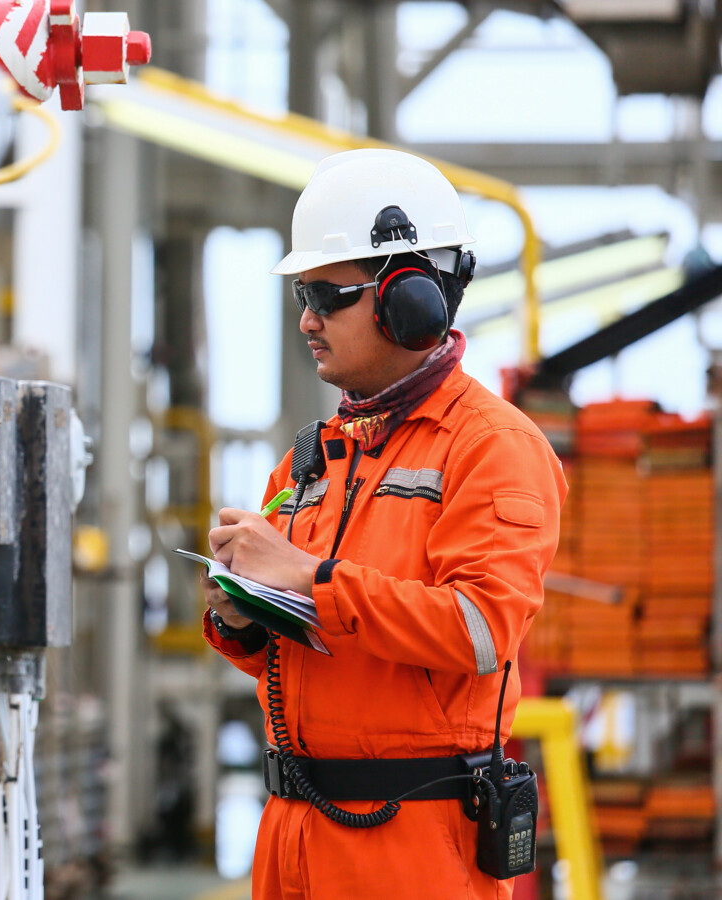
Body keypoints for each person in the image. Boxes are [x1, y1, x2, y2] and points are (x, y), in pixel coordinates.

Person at [199, 148, 566, 899]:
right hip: (293, 836)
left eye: (326, 295)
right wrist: (241, 616)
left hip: (413, 848)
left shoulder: (492, 447)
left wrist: (308, 578)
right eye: (302, 294)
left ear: (411, 299)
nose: (307, 318)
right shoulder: (312, 458)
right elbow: (298, 659)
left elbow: (480, 629)